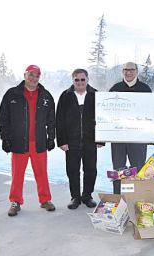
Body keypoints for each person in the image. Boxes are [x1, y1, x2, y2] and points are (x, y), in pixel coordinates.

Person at [0, 65, 56, 216]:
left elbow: (51, 119)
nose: (34, 78)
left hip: (39, 142)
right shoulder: (12, 94)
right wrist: (5, 138)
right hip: (19, 142)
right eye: (31, 75)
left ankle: (45, 200)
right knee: (17, 174)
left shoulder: (45, 95)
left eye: (37, 76)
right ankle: (15, 201)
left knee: (42, 173)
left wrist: (51, 137)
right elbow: (3, 118)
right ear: (25, 75)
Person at [56, 69, 104, 210]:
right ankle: (75, 197)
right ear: (73, 80)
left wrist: (101, 139)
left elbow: (102, 118)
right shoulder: (65, 96)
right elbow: (59, 119)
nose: (80, 82)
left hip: (90, 140)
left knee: (90, 169)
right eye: (77, 80)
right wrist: (62, 141)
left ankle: (87, 196)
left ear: (87, 79)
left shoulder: (96, 95)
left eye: (82, 79)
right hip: (72, 141)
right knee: (72, 170)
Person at [109, 62, 152, 194]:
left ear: (137, 71)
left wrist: (152, 135)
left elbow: (152, 113)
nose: (129, 72)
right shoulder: (114, 89)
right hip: (118, 139)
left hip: (138, 139)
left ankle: (136, 198)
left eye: (131, 70)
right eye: (126, 70)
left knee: (138, 169)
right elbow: (107, 113)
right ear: (122, 71)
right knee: (118, 170)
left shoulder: (145, 89)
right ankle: (118, 198)